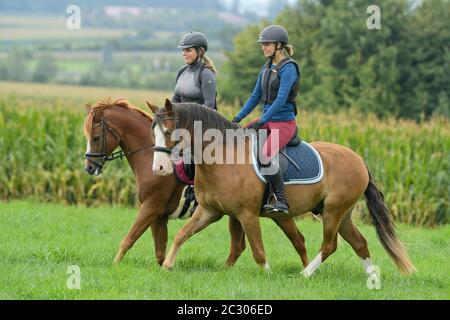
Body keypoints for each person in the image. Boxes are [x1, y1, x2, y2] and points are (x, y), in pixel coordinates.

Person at [232, 25, 301, 214]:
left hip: (284, 123)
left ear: (279, 45)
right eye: (262, 44)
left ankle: (281, 200)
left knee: (265, 154)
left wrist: (262, 121)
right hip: (268, 120)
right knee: (238, 140)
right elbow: (255, 97)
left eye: (267, 44)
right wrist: (237, 118)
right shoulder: (267, 67)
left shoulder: (289, 69)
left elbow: (280, 100)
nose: (263, 48)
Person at [172, 31, 218, 205]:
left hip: (203, 126)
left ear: (200, 51)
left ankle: (193, 192)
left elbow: (209, 105)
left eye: (188, 50)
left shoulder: (206, 74)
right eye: (183, 50)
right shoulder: (181, 72)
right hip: (183, 126)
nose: (184, 53)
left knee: (190, 154)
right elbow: (175, 100)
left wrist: (189, 124)